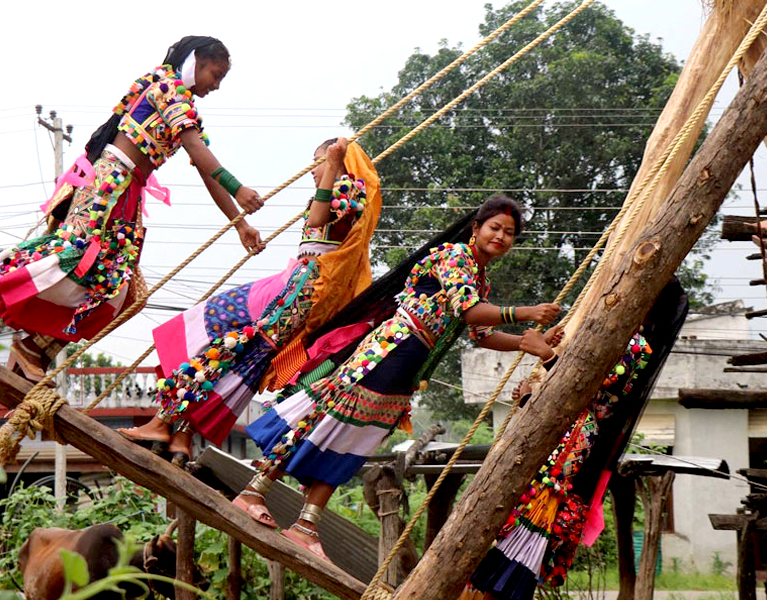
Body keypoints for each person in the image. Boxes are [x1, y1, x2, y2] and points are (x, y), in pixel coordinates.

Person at [237, 195, 563, 562]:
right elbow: (469, 312)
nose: (501, 237)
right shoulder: (456, 256)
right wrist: (527, 312)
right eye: (495, 227)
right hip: (392, 349)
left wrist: (526, 342)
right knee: (328, 422)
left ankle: (306, 526)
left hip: (409, 365)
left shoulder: (479, 280)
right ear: (476, 227)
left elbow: (483, 334)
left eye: (509, 233)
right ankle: (254, 491)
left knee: (355, 439)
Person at [0, 36, 264, 382]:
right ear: (196, 62)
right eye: (216, 73)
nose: (217, 85)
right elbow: (197, 149)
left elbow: (204, 165)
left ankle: (34, 351)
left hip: (127, 192)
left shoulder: (184, 107)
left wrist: (239, 223)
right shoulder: (168, 89)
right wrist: (237, 189)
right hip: (109, 184)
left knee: (125, 294)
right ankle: (24, 339)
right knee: (80, 260)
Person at [118, 137, 382, 466]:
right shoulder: (342, 189)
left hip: (296, 295)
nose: (313, 171)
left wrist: (331, 166)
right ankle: (182, 434)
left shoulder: (347, 188)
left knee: (219, 336)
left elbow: (316, 220)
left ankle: (162, 423)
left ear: (340, 161)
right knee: (235, 357)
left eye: (318, 161)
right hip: (295, 289)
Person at [461, 279, 688, 600]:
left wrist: (546, 353)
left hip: (569, 448)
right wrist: (529, 398)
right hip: (559, 436)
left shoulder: (637, 346)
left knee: (520, 540)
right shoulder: (616, 335)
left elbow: (588, 389)